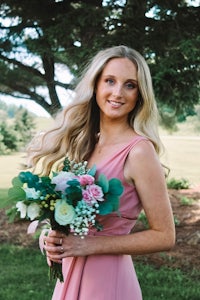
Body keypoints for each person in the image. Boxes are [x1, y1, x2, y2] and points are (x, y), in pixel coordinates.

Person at [26, 45, 175, 300]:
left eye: (130, 85)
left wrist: (88, 245)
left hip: (108, 281)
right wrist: (53, 237)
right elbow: (74, 219)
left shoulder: (139, 151)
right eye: (110, 81)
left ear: (140, 94)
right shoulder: (86, 145)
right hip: (71, 272)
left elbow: (165, 235)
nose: (118, 93)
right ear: (95, 85)